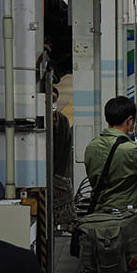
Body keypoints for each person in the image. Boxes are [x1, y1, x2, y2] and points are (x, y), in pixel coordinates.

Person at [83, 96, 137, 260]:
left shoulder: (91, 147)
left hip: (100, 227)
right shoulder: (132, 150)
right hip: (128, 229)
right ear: (129, 120)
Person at [52, 87, 74, 232]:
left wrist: (58, 180)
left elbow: (66, 153)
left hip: (58, 176)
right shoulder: (40, 121)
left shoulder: (63, 121)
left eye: (54, 99)